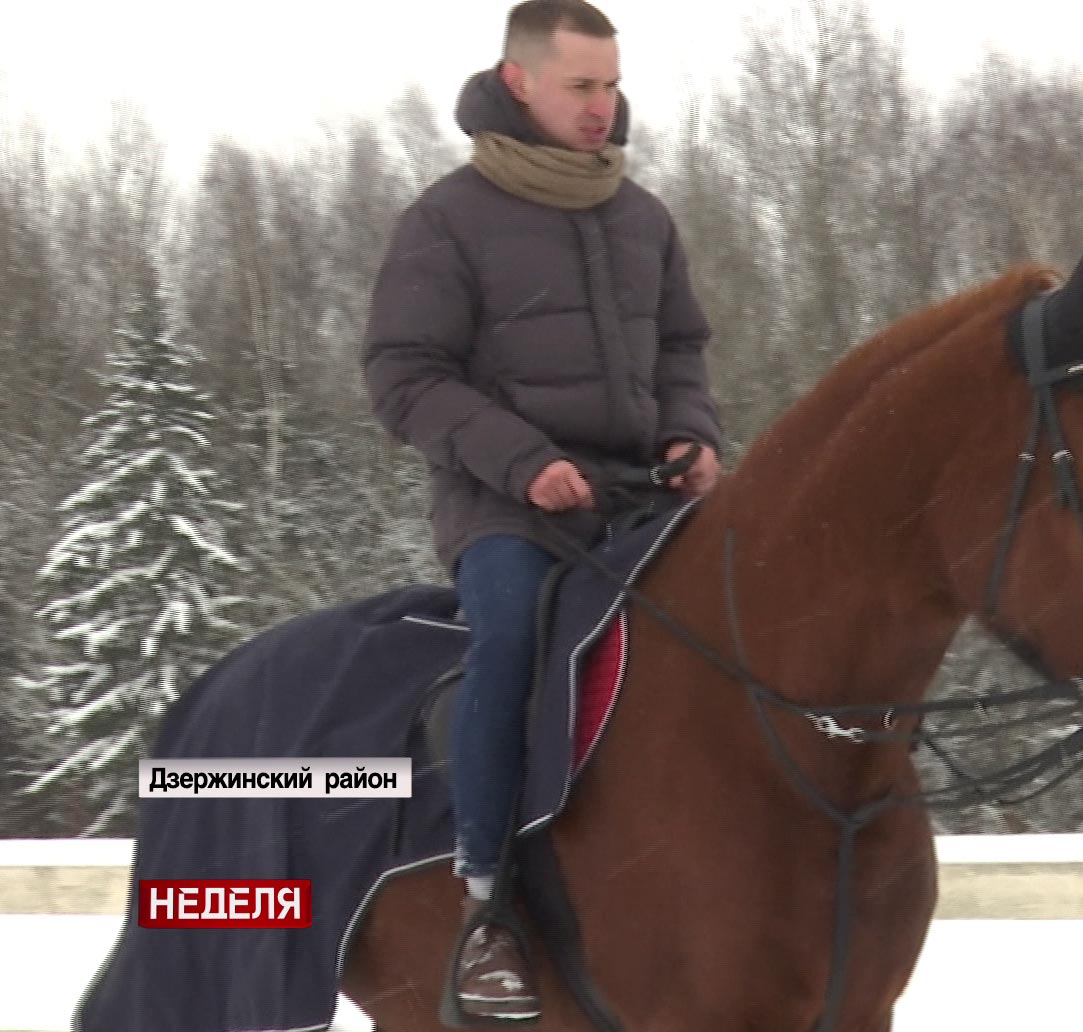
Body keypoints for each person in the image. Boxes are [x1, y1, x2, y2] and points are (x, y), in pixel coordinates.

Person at [360, 0, 722, 1018]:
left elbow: (682, 353)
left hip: (639, 503)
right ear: (519, 82)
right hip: (506, 510)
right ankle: (488, 909)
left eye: (610, 84)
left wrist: (692, 436)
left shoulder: (644, 217)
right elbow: (404, 376)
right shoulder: (446, 219)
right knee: (514, 639)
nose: (603, 106)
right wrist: (523, 465)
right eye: (581, 86)